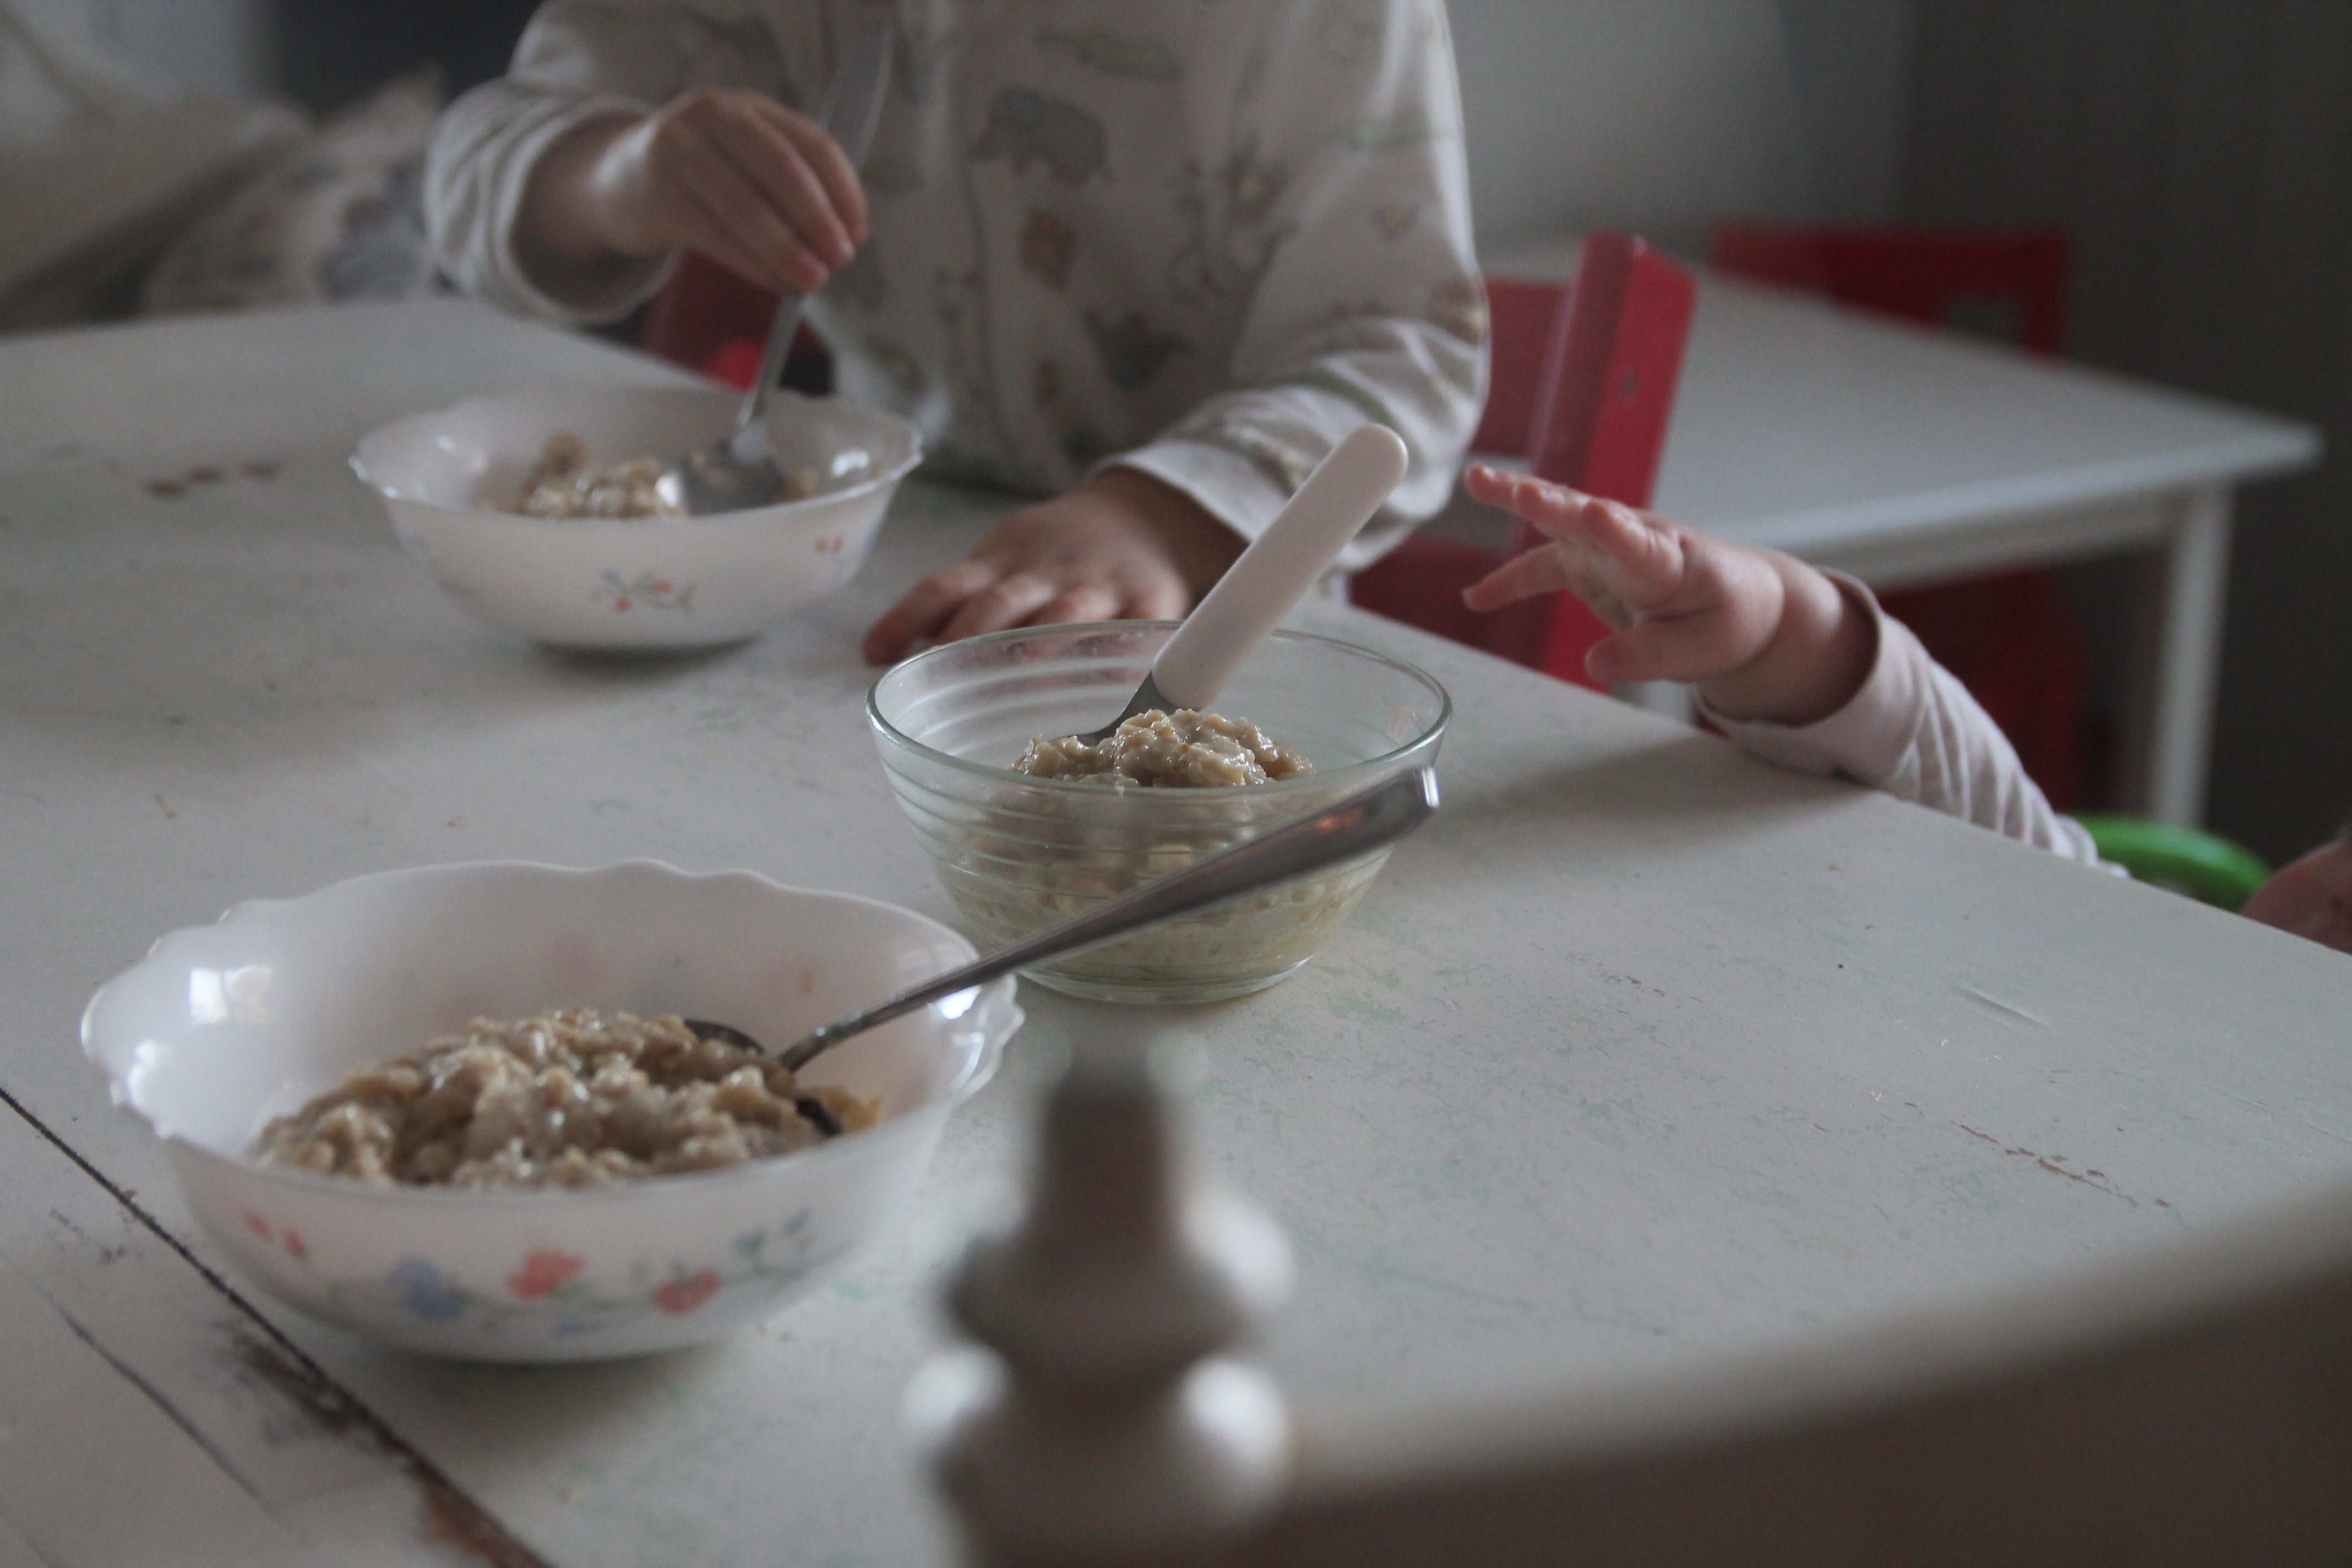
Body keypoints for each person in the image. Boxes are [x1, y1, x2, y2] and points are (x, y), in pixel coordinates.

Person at [425, 1, 1485, 663]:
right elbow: (475, 164)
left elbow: (1403, 344)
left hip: (1223, 618)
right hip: (882, 597)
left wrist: (1164, 517)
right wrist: (621, 173)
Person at [1459, 462, 2352, 956]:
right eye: (2342, 858)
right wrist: (1775, 626)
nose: (2329, 902)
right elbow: (1941, 762)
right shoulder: (2137, 962)